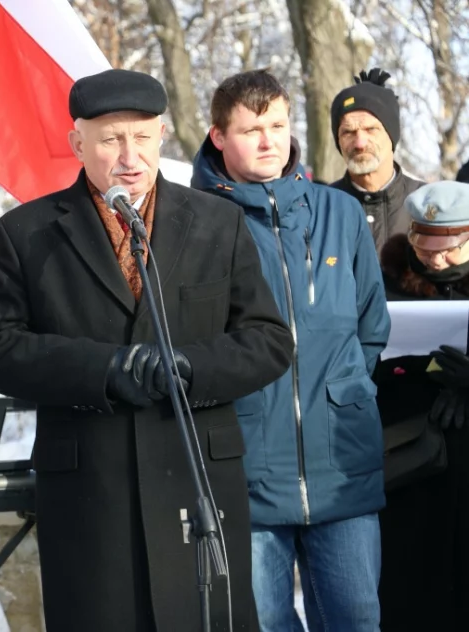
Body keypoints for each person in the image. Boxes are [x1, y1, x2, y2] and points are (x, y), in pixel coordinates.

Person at [0, 68, 294, 631]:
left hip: (197, 483)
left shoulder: (219, 222)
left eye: (142, 137)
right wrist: (104, 368)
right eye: (110, 139)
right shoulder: (28, 233)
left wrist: (192, 366)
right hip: (91, 486)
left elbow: (267, 340)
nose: (129, 155)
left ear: (162, 134)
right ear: (78, 143)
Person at [191, 69, 390, 632]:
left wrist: (344, 393)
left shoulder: (339, 213)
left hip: (342, 465)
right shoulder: (196, 224)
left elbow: (371, 325)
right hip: (248, 468)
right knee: (264, 624)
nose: (268, 140)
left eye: (277, 124)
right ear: (218, 137)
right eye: (251, 129)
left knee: (356, 620)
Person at [376, 181, 469, 630]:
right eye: (424, 244)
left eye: (449, 247)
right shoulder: (388, 281)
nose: (435, 258)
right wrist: (428, 369)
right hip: (410, 457)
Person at [330, 68, 423, 253]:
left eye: (371, 129)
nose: (359, 143)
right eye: (348, 132)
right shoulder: (323, 207)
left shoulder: (425, 202)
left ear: (391, 136)